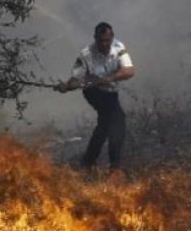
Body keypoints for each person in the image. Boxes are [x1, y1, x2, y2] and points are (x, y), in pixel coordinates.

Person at [56, 22, 134, 170]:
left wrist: (107, 79)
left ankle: (88, 161)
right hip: (93, 92)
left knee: (104, 124)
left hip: (111, 92)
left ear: (112, 37)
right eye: (100, 41)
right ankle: (115, 168)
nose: (104, 44)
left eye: (107, 40)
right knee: (117, 121)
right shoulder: (86, 54)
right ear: (95, 38)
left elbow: (129, 71)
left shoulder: (119, 48)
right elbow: (76, 79)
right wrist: (67, 86)